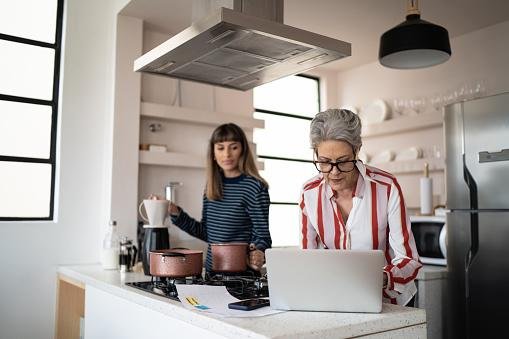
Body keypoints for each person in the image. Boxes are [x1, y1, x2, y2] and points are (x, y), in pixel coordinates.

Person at [299, 109, 422, 306]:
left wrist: (378, 278)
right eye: (324, 163)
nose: (334, 172)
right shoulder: (309, 193)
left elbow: (409, 259)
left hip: (390, 299)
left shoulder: (386, 187)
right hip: (339, 299)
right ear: (315, 154)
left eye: (342, 162)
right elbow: (308, 258)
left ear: (357, 150)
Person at [169, 123, 271, 273]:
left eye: (233, 147)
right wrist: (176, 213)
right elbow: (206, 232)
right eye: (221, 148)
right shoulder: (211, 187)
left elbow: (262, 236)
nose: (227, 154)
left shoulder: (254, 187)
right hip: (212, 277)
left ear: (242, 150)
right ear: (213, 153)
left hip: (242, 279)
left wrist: (259, 252)